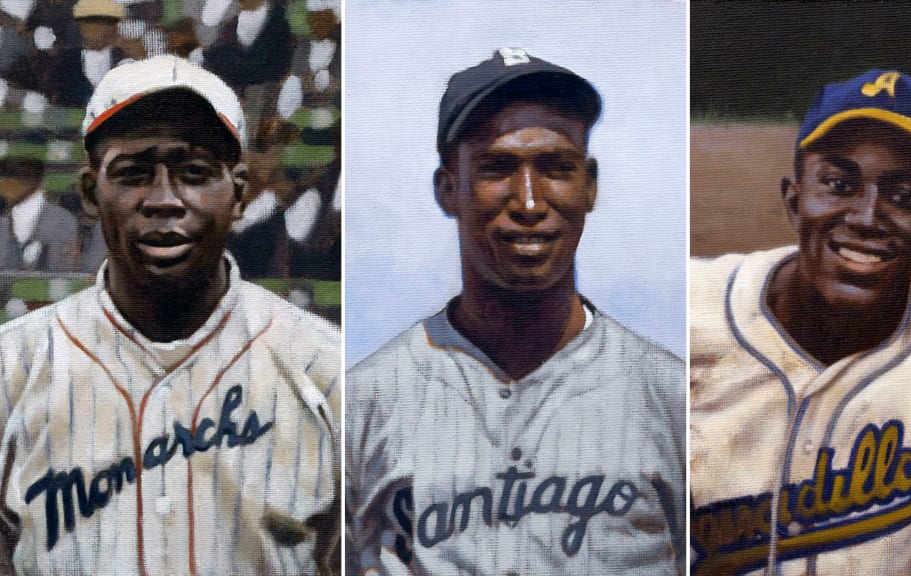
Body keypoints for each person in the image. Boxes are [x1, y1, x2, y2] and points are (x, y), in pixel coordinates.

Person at [346, 49, 686, 575]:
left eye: (556, 168)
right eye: (496, 169)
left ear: (590, 186)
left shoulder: (671, 398)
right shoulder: (366, 401)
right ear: (447, 189)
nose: (528, 203)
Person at [0, 55, 339, 575]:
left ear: (240, 194)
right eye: (133, 173)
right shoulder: (11, 367)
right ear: (92, 193)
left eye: (194, 173)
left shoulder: (328, 369)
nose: (163, 200)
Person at [689, 70, 911, 575]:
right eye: (839, 184)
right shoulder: (688, 313)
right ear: (793, 197)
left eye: (904, 196)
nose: (867, 217)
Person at [0, 154, 78, 271]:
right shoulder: (4, 217)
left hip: (43, 284)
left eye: (14, 178)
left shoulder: (61, 219)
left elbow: (62, 269)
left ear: (35, 182)